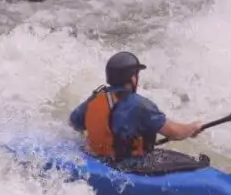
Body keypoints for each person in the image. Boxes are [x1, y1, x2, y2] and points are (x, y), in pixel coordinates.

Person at [69, 52, 203, 165]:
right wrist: (192, 128)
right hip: (131, 169)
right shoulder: (140, 105)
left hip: (99, 161)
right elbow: (175, 133)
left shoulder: (95, 99)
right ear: (133, 78)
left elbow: (74, 122)